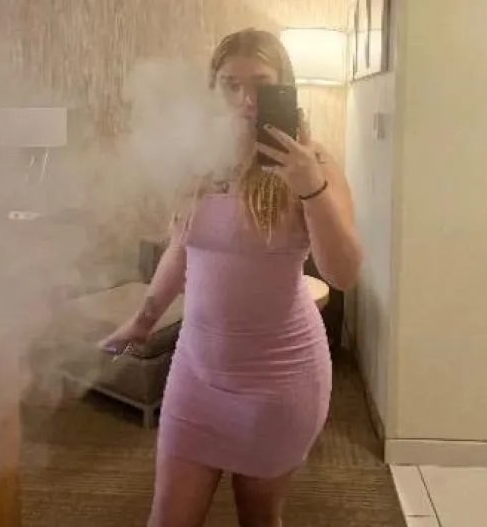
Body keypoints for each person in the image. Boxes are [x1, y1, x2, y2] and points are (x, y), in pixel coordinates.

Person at [100, 28, 362, 527]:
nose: (245, 99)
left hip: (278, 380)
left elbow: (343, 273)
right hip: (196, 373)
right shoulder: (201, 162)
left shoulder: (315, 163)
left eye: (261, 83)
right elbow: (183, 248)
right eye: (230, 84)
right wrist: (144, 319)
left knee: (258, 517)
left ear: (285, 86)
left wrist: (311, 189)